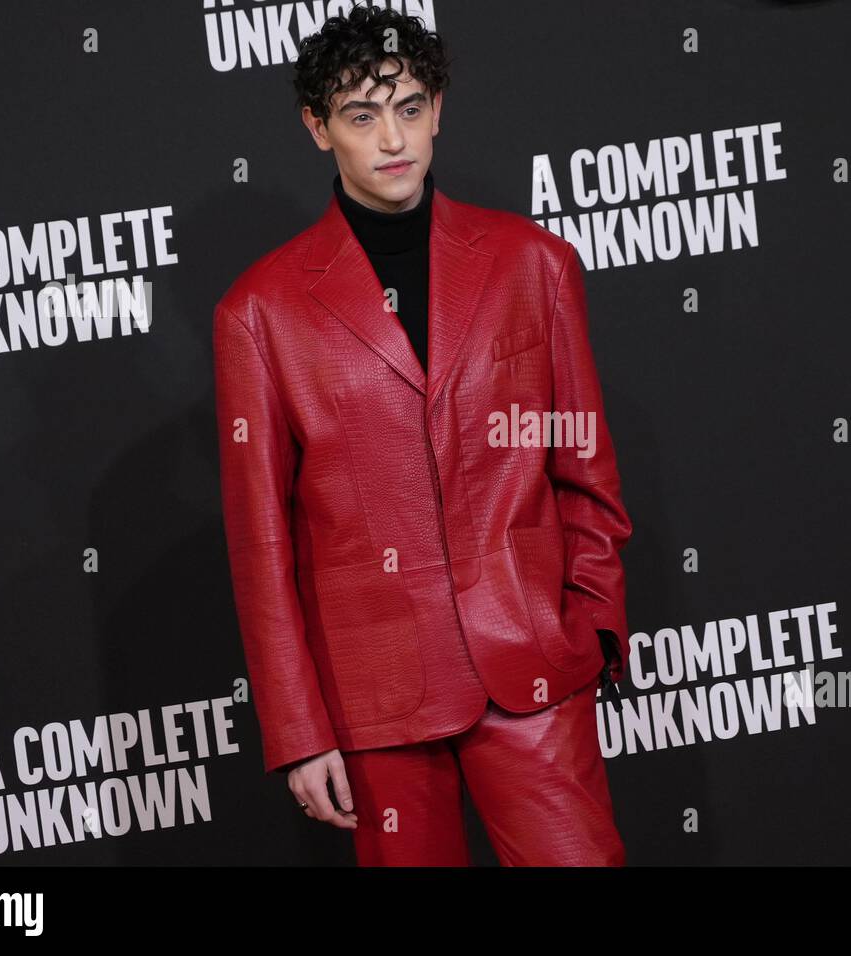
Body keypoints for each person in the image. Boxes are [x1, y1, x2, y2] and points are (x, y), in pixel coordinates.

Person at [212, 5, 632, 866]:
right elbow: (262, 545)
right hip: (376, 696)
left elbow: (584, 470)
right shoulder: (259, 313)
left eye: (408, 108)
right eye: (361, 116)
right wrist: (298, 728)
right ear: (318, 128)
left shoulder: (534, 263)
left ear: (437, 108)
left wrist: (591, 626)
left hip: (532, 664)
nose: (392, 139)